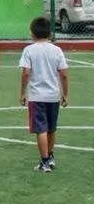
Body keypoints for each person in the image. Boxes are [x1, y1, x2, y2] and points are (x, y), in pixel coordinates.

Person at [19, 16, 69, 172]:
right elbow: (64, 74)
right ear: (50, 33)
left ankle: (45, 161)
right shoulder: (57, 50)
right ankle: (51, 157)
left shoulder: (29, 50)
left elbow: (26, 73)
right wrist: (65, 94)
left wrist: (22, 92)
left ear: (32, 33)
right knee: (51, 128)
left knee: (41, 129)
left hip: (37, 96)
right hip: (53, 96)